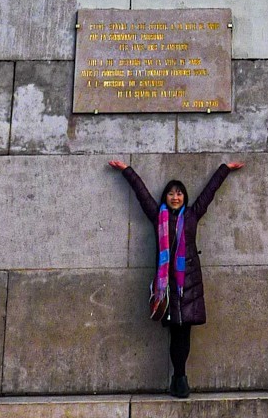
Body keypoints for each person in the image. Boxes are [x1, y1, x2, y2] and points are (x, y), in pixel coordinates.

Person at [108, 156, 244, 396]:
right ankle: (179, 379)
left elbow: (209, 193)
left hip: (188, 284)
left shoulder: (192, 216)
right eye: (171, 193)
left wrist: (225, 169)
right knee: (175, 331)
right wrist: (127, 170)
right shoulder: (157, 215)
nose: (175, 197)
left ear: (184, 197)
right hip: (167, 286)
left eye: (179, 193)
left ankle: (180, 378)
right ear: (166, 198)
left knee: (184, 332)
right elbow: (141, 194)